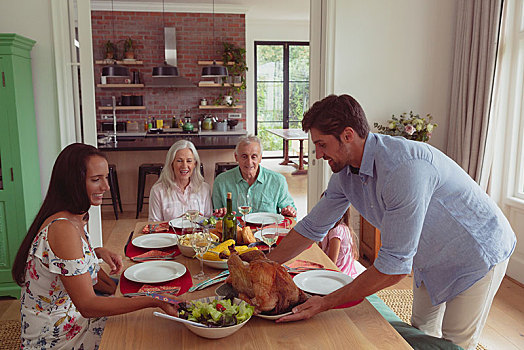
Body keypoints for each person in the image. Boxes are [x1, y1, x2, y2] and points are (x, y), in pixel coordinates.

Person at [269, 94, 516, 350]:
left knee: (453, 345)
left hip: (476, 254)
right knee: (420, 333)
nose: (318, 154)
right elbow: (312, 227)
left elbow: (394, 268)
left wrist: (326, 302)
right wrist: (266, 265)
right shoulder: (344, 175)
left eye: (322, 144)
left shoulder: (404, 168)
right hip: (429, 257)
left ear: (347, 135)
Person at [12, 143, 178, 349]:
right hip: (58, 338)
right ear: (72, 183)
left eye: (105, 177)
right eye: (96, 180)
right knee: (145, 333)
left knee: (146, 311)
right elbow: (88, 306)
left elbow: (70, 268)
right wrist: (153, 299)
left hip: (70, 320)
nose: (106, 187)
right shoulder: (63, 229)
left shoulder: (75, 217)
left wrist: (95, 252)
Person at [212, 134, 297, 217]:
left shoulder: (278, 181)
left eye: (254, 157)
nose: (249, 162)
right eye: (244, 156)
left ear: (260, 158)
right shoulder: (221, 182)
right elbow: (214, 218)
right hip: (235, 230)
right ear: (236, 157)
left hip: (268, 230)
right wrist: (218, 215)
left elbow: (292, 215)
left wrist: (289, 212)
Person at [149, 140, 213, 221]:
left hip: (197, 233)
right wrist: (178, 221)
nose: (184, 166)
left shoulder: (204, 188)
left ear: (195, 164)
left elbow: (208, 222)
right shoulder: (157, 191)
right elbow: (153, 226)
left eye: (189, 161)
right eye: (179, 161)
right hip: (168, 234)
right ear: (171, 163)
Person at [320, 205, 364, 278]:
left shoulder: (336, 231)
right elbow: (321, 249)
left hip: (339, 273)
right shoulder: (329, 228)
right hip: (335, 267)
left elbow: (332, 263)